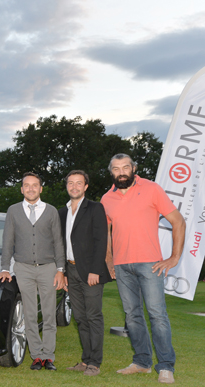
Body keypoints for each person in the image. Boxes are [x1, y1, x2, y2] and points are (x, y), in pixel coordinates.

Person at [102, 153, 185, 384]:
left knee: (157, 315)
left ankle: (166, 366)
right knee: (132, 316)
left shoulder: (151, 189)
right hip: (121, 265)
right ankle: (141, 362)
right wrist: (109, 259)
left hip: (150, 263)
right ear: (112, 172)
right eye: (117, 168)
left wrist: (174, 257)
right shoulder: (106, 198)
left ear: (133, 168)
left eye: (125, 167)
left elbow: (178, 220)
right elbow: (105, 233)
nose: (121, 172)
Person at [0, 172, 65, 371]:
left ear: (41, 189)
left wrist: (60, 270)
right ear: (22, 189)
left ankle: (48, 356)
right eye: (27, 185)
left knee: (49, 314)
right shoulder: (13, 211)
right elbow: (7, 241)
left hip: (48, 269)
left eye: (35, 185)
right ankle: (36, 356)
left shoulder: (51, 211)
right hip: (23, 269)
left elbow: (58, 242)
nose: (31, 188)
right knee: (30, 313)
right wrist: (4, 268)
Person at [58, 170, 110, 376]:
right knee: (80, 317)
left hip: (90, 272)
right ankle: (85, 359)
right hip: (70, 270)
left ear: (86, 186)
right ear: (67, 186)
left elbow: (101, 241)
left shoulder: (96, 208)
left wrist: (95, 270)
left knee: (93, 316)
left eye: (79, 183)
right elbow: (59, 244)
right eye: (70, 183)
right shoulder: (61, 212)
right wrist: (62, 272)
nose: (74, 186)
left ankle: (95, 363)